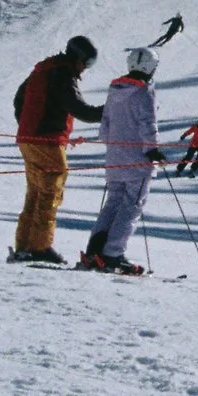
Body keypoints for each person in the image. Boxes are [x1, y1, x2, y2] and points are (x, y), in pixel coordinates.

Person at [8, 35, 103, 263]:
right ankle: (40, 247)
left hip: (29, 139)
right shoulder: (63, 74)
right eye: (87, 63)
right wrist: (111, 110)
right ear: (77, 57)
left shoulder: (43, 69)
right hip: (46, 141)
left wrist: (27, 125)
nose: (85, 68)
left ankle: (25, 245)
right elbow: (80, 109)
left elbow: (19, 99)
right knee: (51, 191)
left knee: (35, 192)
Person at [78, 48, 165, 275]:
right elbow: (148, 122)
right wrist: (153, 149)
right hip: (138, 160)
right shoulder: (144, 91)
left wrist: (112, 146)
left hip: (115, 158)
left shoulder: (115, 90)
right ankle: (112, 253)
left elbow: (105, 124)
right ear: (149, 67)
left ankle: (95, 249)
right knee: (131, 206)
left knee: (114, 202)